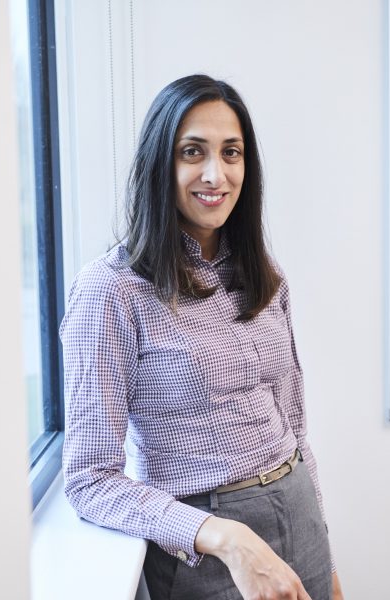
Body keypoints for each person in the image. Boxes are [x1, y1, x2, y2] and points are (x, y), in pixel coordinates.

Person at [60, 74, 344, 600]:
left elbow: (297, 433)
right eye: (193, 151)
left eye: (231, 153)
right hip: (206, 551)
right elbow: (89, 481)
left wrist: (325, 561)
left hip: (300, 521)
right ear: (159, 163)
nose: (216, 174)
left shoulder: (264, 275)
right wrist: (229, 538)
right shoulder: (111, 291)